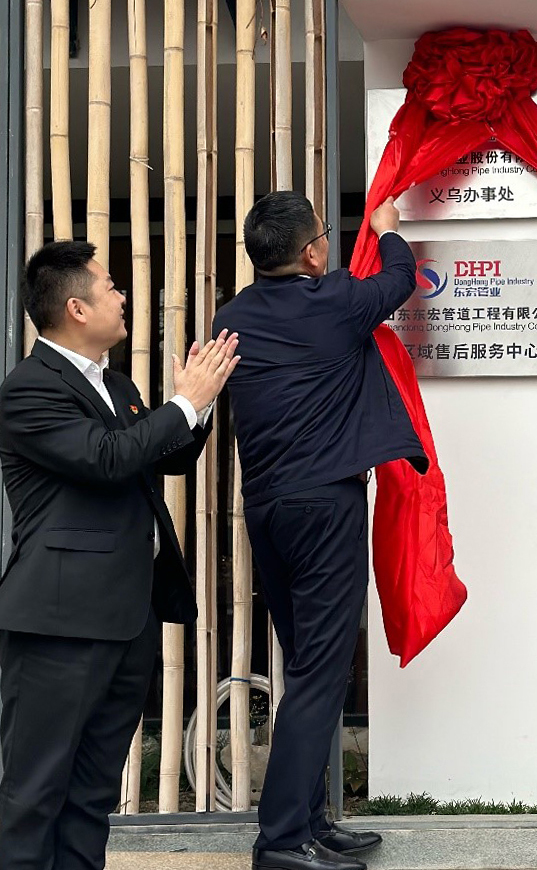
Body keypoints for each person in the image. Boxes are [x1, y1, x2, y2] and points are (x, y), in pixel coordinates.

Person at [0, 240, 236, 869]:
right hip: (59, 622)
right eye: (111, 287)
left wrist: (198, 402)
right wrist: (183, 404)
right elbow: (107, 458)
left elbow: (165, 454)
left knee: (92, 794)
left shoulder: (116, 384)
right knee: (36, 793)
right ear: (76, 308)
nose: (123, 297)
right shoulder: (27, 390)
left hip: (127, 617)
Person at [213, 191, 425, 870]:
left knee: (307, 665)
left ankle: (309, 822)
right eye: (323, 237)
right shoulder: (336, 302)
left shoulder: (231, 317)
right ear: (311, 252)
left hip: (266, 510)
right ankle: (281, 839)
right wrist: (386, 228)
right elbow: (399, 278)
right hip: (326, 506)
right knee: (320, 673)